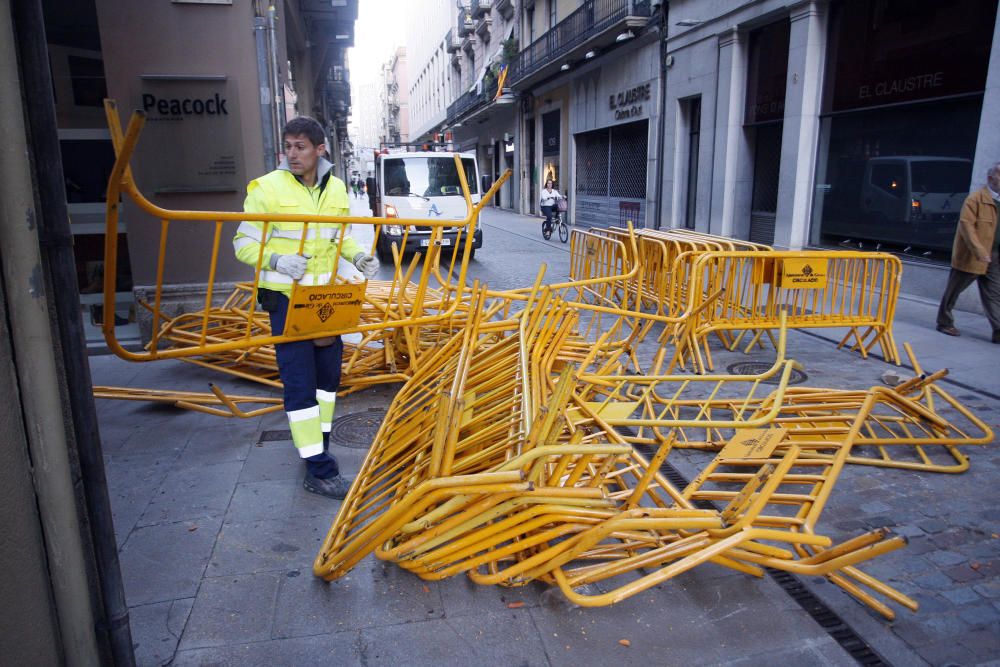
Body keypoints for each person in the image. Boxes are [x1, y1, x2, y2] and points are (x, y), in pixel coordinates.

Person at [233, 116, 381, 498]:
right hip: (284, 300)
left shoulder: (336, 189)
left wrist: (360, 256)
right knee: (300, 386)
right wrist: (276, 261)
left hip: (325, 299)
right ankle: (318, 469)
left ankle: (317, 447)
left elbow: (341, 236)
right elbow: (242, 243)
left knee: (327, 384)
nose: (292, 153)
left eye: (301, 146)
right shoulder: (266, 188)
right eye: (289, 146)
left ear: (320, 149)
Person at [936, 162, 1000, 343]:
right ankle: (944, 321)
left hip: (994, 256)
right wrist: (979, 251)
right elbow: (966, 226)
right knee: (954, 290)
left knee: (994, 294)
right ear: (990, 179)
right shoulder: (975, 199)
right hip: (972, 255)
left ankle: (998, 329)